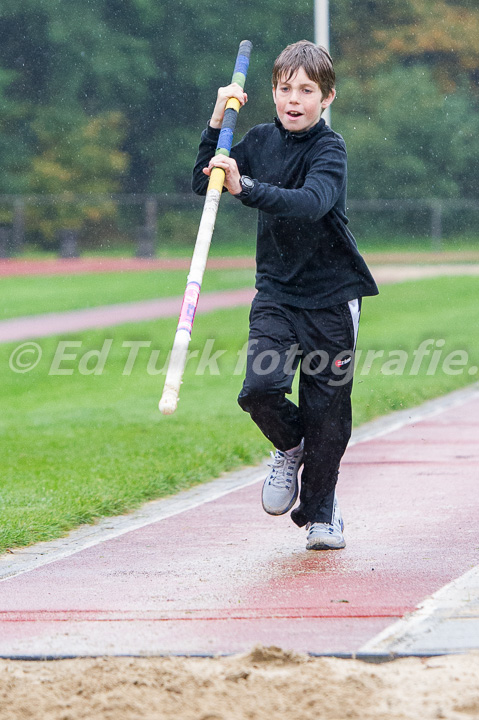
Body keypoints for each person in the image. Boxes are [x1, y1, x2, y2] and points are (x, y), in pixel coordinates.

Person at [192, 40, 378, 550]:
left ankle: (321, 513)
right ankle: (290, 446)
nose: (293, 100)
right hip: (276, 292)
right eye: (283, 89)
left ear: (327, 97)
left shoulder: (329, 149)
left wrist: (244, 186)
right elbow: (201, 177)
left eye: (306, 90)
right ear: (272, 92)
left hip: (332, 297)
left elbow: (311, 203)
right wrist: (216, 122)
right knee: (259, 390)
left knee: (327, 412)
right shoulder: (255, 139)